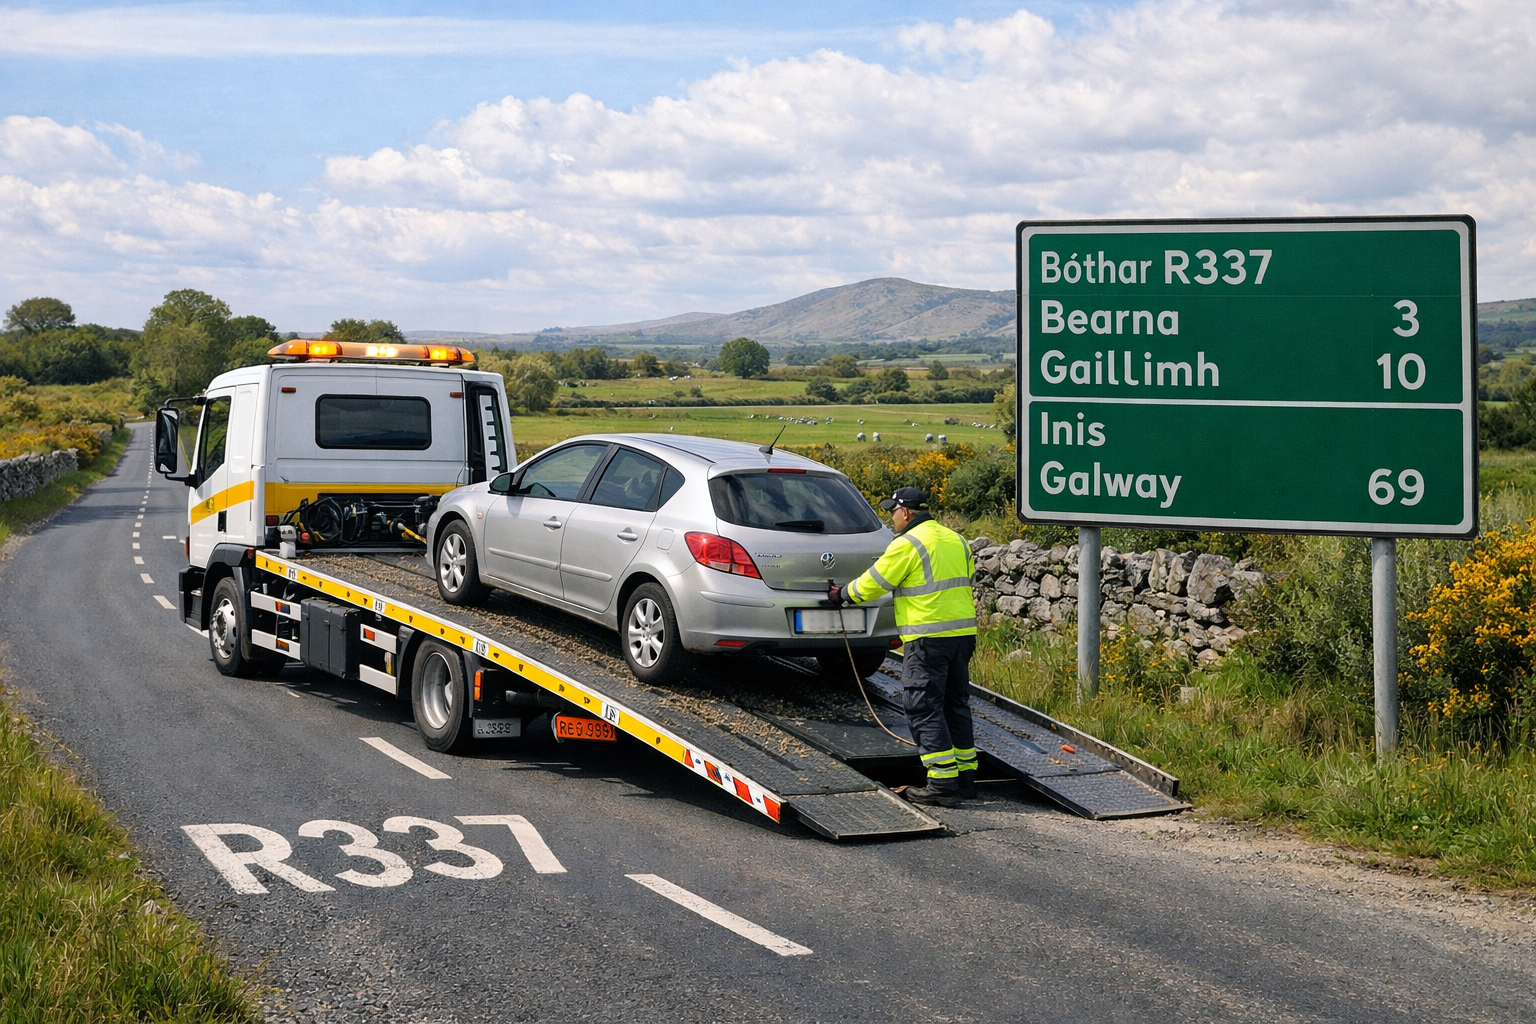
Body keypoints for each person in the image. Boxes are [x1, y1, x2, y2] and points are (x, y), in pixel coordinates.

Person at [829, 487, 978, 808]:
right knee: (956, 704)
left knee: (924, 706)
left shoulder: (908, 544)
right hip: (963, 635)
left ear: (906, 512)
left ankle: (940, 784)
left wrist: (841, 595)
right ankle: (965, 779)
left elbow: (874, 583)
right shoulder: (956, 540)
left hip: (928, 638)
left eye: (892, 512)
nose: (891, 518)